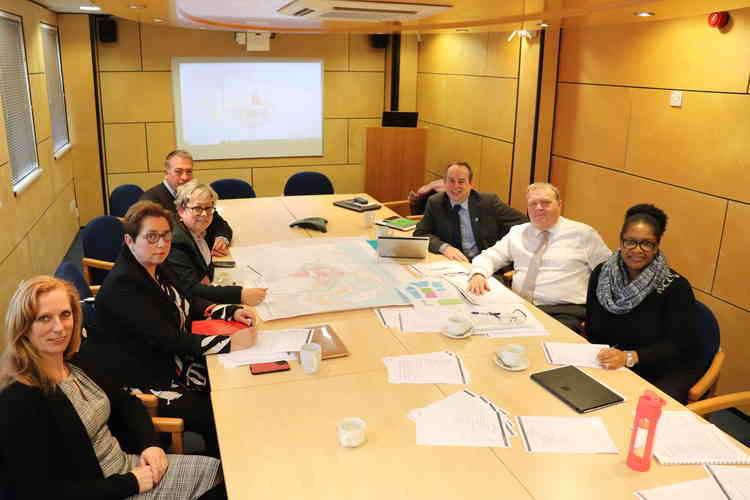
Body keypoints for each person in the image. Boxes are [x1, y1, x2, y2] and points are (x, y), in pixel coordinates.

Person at [0, 276, 225, 499]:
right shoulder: (18, 399)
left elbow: (128, 404)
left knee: (225, 474)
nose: (59, 328)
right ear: (24, 327)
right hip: (111, 490)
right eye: (44, 318)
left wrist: (150, 445)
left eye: (65, 314)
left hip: (132, 468)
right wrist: (131, 483)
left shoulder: (76, 362)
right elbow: (39, 493)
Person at [88, 201, 257, 458]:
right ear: (129, 240)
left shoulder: (156, 265)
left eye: (166, 236)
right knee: (222, 412)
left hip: (172, 361)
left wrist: (228, 311)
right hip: (146, 381)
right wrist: (229, 342)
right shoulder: (124, 285)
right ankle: (223, 475)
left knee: (239, 387)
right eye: (151, 237)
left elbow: (187, 299)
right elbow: (169, 339)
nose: (161, 244)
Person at [587, 204, 702, 404]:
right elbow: (592, 325)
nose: (637, 250)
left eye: (646, 244)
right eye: (630, 241)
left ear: (657, 246)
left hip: (657, 371)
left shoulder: (675, 287)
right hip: (609, 362)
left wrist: (629, 357)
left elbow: (679, 347)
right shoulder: (601, 274)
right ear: (621, 242)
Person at [469, 182, 611, 332]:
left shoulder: (583, 234)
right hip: (520, 306)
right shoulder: (518, 232)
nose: (538, 208)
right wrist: (479, 273)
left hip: (564, 311)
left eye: (546, 203)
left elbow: (609, 272)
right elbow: (491, 255)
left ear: (559, 204)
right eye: (533, 204)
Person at [168, 180, 266, 305]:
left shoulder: (195, 224)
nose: (204, 214)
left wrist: (205, 274)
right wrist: (240, 294)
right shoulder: (176, 242)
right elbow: (191, 289)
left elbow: (221, 225)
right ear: (181, 210)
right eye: (197, 208)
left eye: (208, 208)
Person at [413, 161, 527, 262]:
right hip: (454, 264)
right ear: (445, 183)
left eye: (461, 181)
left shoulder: (488, 203)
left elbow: (523, 223)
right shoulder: (436, 203)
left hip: (487, 267)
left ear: (470, 184)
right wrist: (444, 248)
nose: (455, 186)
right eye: (451, 181)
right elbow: (420, 233)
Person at [140, 150, 232, 257]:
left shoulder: (194, 194)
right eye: (178, 171)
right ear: (166, 173)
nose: (185, 177)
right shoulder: (150, 202)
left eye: (189, 171)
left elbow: (220, 224)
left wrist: (221, 239)